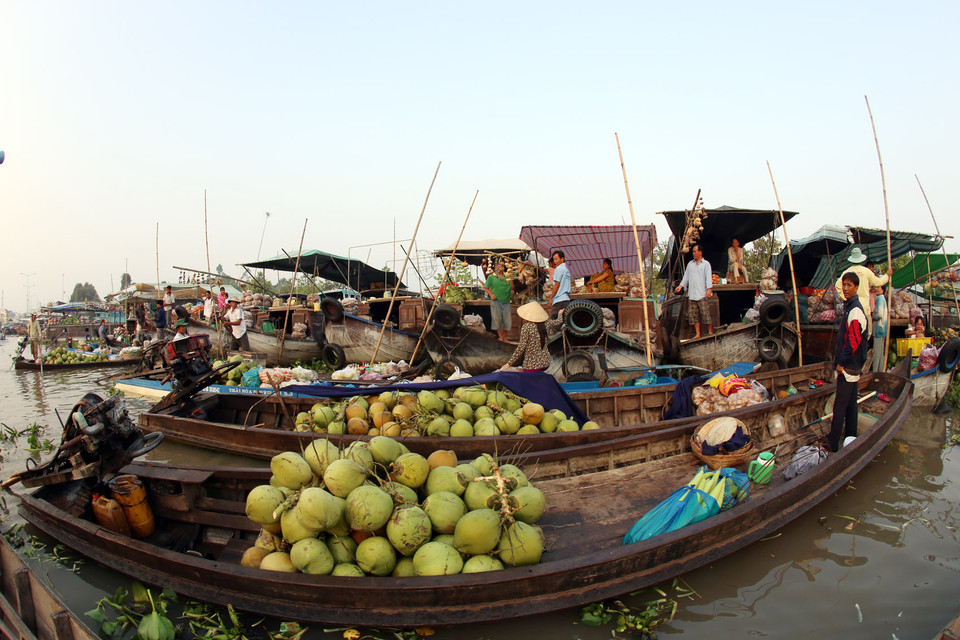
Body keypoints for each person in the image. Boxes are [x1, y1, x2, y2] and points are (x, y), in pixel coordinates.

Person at [829, 272, 869, 452]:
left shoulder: (855, 310)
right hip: (853, 365)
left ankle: (833, 446)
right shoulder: (850, 308)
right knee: (852, 404)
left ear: (856, 287)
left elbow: (853, 342)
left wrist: (841, 363)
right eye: (844, 285)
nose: (845, 288)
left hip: (849, 366)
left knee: (840, 406)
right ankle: (850, 438)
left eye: (849, 285)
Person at [833, 247, 892, 337]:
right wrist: (887, 275)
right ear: (861, 259)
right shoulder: (866, 271)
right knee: (866, 333)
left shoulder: (847, 271)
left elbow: (838, 285)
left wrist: (845, 297)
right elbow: (878, 282)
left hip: (851, 306)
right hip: (864, 307)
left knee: (852, 332)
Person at [500, 301, 555, 371]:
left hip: (531, 366)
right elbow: (558, 321)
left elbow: (521, 348)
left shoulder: (527, 327)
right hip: (546, 363)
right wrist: (560, 314)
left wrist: (508, 364)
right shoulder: (547, 323)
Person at [674, 243, 713, 339]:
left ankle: (710, 332)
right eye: (693, 252)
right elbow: (686, 277)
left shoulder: (706, 264)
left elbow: (708, 278)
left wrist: (709, 290)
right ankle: (698, 334)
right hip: (692, 294)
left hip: (702, 293)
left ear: (700, 252)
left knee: (705, 314)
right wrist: (681, 286)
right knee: (694, 316)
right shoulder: (690, 264)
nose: (693, 253)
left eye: (695, 251)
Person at [483, 263, 514, 342]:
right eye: (498, 266)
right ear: (495, 267)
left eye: (502, 266)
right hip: (496, 301)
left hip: (506, 301)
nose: (500, 267)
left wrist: (524, 265)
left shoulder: (508, 276)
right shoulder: (491, 277)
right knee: (497, 321)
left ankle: (504, 336)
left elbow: (518, 272)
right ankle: (500, 337)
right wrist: (491, 295)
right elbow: (486, 287)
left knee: (507, 322)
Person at [548, 250, 571, 319]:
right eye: (554, 259)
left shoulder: (559, 269)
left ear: (562, 259)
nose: (555, 261)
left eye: (556, 259)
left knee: (553, 322)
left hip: (559, 300)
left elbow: (557, 285)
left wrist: (551, 298)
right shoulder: (566, 269)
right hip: (566, 300)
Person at [871, 285, 888, 372]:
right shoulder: (882, 298)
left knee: (877, 353)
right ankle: (881, 371)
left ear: (882, 290)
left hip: (879, 328)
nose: (876, 289)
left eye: (878, 288)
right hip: (882, 329)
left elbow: (880, 314)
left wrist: (873, 316)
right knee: (880, 353)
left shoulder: (880, 299)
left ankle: (875, 372)